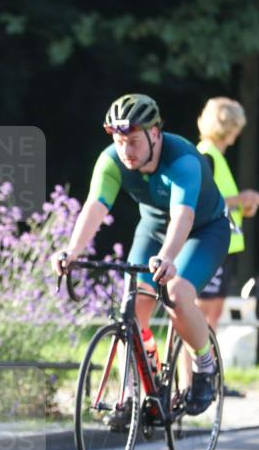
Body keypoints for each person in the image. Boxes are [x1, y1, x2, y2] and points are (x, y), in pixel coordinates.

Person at [52, 93, 230, 416]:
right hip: (152, 229)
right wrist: (72, 251)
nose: (126, 151)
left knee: (176, 293)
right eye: (120, 142)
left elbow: (183, 218)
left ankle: (205, 367)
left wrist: (167, 257)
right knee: (132, 306)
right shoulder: (111, 161)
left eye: (133, 141)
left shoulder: (183, 160)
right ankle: (136, 395)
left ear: (155, 134)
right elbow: (94, 206)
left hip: (204, 231)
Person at [195, 98, 259, 398]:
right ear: (231, 127)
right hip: (210, 247)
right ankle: (196, 383)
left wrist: (242, 206)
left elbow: (221, 202)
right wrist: (242, 198)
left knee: (212, 318)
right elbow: (200, 201)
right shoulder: (207, 156)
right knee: (200, 318)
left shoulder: (215, 156)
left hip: (222, 247)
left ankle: (209, 380)